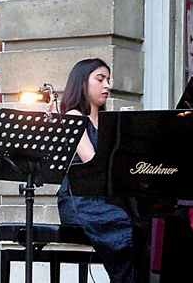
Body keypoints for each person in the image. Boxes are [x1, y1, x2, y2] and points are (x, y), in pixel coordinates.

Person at [56, 58, 136, 282]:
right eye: (100, 79)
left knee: (153, 224)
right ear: (82, 84)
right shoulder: (74, 116)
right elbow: (92, 161)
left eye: (108, 80)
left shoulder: (107, 121)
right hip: (80, 200)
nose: (107, 86)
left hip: (105, 198)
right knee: (128, 226)